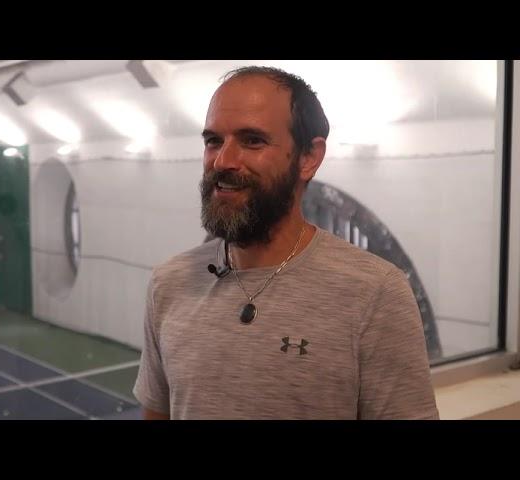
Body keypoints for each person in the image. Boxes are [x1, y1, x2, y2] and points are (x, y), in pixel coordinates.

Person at [133, 66, 439, 420]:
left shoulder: (374, 293)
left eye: (252, 141)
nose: (223, 160)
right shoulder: (168, 283)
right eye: (213, 141)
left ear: (308, 158)